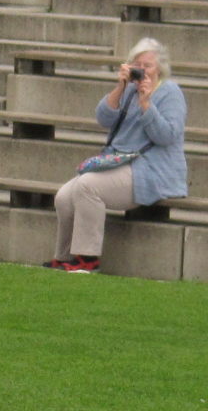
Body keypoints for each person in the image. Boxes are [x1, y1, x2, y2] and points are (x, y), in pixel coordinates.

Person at [44, 37, 187, 273]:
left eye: (147, 65)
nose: (142, 71)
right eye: (137, 65)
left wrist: (146, 104)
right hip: (119, 162)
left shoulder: (170, 92)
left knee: (87, 185)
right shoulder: (129, 89)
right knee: (63, 195)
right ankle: (65, 256)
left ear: (160, 68)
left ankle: (87, 258)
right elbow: (103, 118)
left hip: (152, 169)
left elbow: (167, 136)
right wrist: (120, 87)